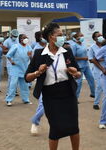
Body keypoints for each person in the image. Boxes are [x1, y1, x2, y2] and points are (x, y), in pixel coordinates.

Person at [25, 22, 81, 150]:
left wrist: (75, 72)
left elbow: (78, 73)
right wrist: (37, 72)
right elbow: (27, 77)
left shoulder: (67, 51)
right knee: (55, 128)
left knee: (73, 127)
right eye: (60, 35)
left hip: (68, 93)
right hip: (50, 95)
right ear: (51, 36)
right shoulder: (39, 54)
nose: (63, 37)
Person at [5, 34, 32, 106]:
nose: (26, 39)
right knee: (13, 84)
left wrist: (30, 56)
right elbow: (8, 55)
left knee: (25, 85)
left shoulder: (28, 47)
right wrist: (11, 61)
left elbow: (31, 58)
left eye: (26, 37)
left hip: (24, 68)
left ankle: (26, 99)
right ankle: (9, 100)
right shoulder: (15, 46)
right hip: (15, 68)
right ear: (20, 39)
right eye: (24, 38)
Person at [30, 31, 47, 135]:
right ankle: (35, 121)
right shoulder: (37, 50)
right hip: (44, 82)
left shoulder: (60, 50)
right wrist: (38, 71)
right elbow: (33, 66)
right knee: (43, 105)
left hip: (59, 84)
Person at [72, 32, 95, 99]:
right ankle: (76, 98)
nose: (82, 37)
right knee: (79, 82)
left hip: (86, 65)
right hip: (79, 66)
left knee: (91, 78)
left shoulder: (83, 44)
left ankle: (93, 93)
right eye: (80, 36)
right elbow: (73, 57)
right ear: (76, 38)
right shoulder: (74, 46)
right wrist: (83, 58)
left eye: (82, 35)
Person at [3, 29, 19, 96]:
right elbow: (3, 51)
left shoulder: (17, 41)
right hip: (10, 61)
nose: (15, 37)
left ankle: (14, 91)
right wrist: (11, 50)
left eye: (16, 36)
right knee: (10, 77)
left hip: (17, 61)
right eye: (14, 36)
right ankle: (8, 92)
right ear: (11, 35)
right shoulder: (7, 41)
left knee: (16, 77)